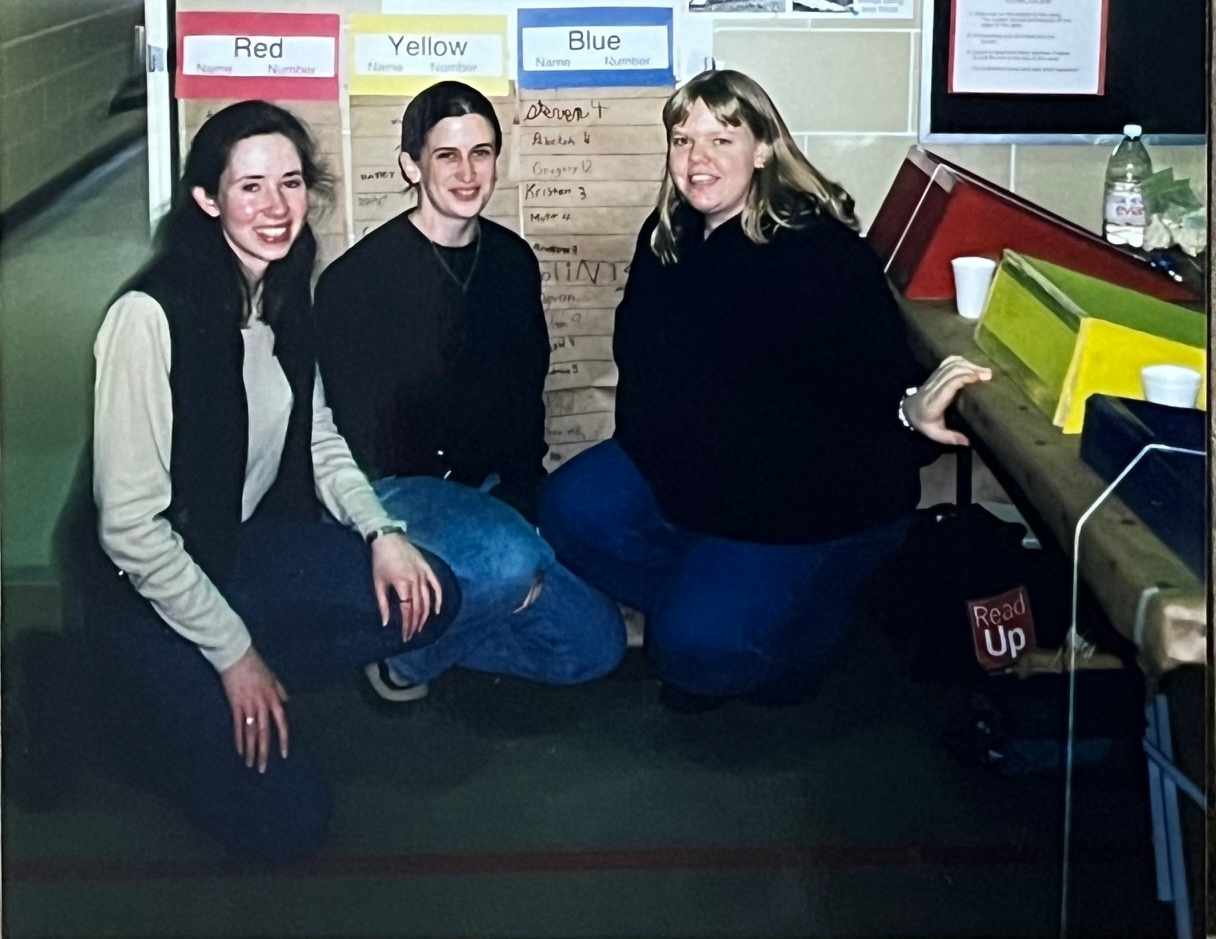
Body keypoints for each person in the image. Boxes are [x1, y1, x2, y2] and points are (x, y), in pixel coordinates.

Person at [54, 101, 461, 861]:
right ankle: (117, 703)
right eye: (250, 187)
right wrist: (234, 651)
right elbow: (131, 530)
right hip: (135, 594)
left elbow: (319, 433)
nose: (277, 208)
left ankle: (218, 686)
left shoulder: (278, 288)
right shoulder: (149, 316)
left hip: (230, 556)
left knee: (428, 593)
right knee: (290, 823)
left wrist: (383, 533)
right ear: (208, 199)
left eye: (291, 182)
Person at [538, 69, 991, 711]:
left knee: (689, 654)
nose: (697, 160)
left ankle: (801, 633)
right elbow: (649, 374)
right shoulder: (669, 238)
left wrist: (907, 415)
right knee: (568, 509)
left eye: (722, 139)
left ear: (764, 148)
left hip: (810, 507)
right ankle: (721, 601)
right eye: (683, 140)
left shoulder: (820, 257)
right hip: (714, 485)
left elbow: (875, 399)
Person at [313, 80, 626, 703]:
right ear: (411, 165)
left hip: (491, 494)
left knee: (595, 647)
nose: (467, 172)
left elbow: (524, 401)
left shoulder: (511, 261)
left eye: (481, 153)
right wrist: (501, 544)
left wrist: (517, 507)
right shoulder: (356, 282)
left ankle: (420, 637)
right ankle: (414, 656)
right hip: (399, 497)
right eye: (447, 155)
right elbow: (359, 445)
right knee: (511, 564)